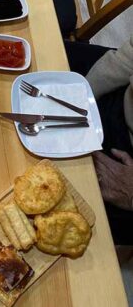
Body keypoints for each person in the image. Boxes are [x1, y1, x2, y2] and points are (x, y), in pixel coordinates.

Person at [65, 35, 133, 245]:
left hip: (127, 161)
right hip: (123, 96)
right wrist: (83, 97)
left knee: (72, 219)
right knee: (43, 57)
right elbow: (128, 57)